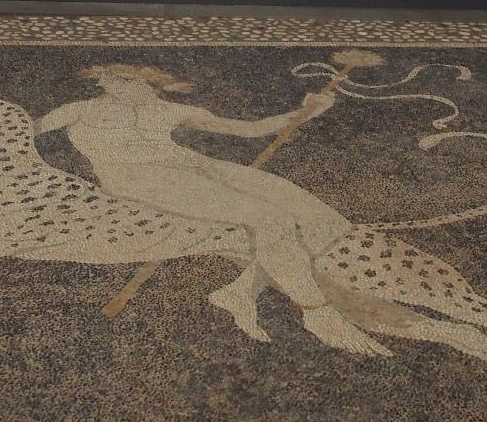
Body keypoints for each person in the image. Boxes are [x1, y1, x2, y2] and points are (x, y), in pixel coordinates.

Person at [33, 63, 361, 342]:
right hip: (137, 177)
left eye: (126, 80)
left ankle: (239, 292)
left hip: (191, 164)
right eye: (109, 80)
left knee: (303, 208)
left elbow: (251, 129)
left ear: (148, 84)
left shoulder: (172, 110)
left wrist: (306, 111)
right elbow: (28, 131)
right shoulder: (81, 109)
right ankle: (317, 313)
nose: (113, 85)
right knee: (270, 219)